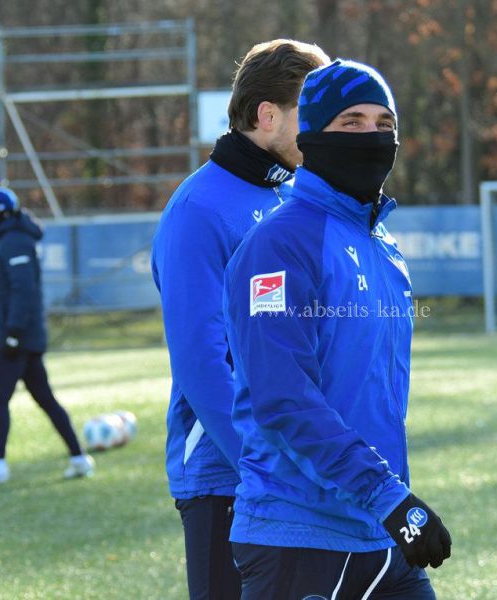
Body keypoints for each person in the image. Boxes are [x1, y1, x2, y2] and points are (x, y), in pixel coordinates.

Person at [222, 59, 452, 600]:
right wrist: (388, 496)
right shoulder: (278, 246)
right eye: (352, 122)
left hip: (380, 529)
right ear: (312, 136)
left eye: (384, 124)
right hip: (301, 538)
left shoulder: (383, 245)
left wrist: (388, 499)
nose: (372, 137)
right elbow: (283, 397)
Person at [151, 40, 329, 600]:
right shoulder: (197, 210)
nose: (323, 131)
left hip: (307, 466)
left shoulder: (297, 196)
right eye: (312, 114)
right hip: (230, 474)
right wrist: (266, 467)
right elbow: (202, 360)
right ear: (267, 114)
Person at [0, 187, 95, 486]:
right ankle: (79, 457)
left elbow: (23, 291)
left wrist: (11, 333)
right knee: (45, 398)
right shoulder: (12, 238)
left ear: (3, 212)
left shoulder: (14, 240)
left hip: (17, 338)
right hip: (23, 336)